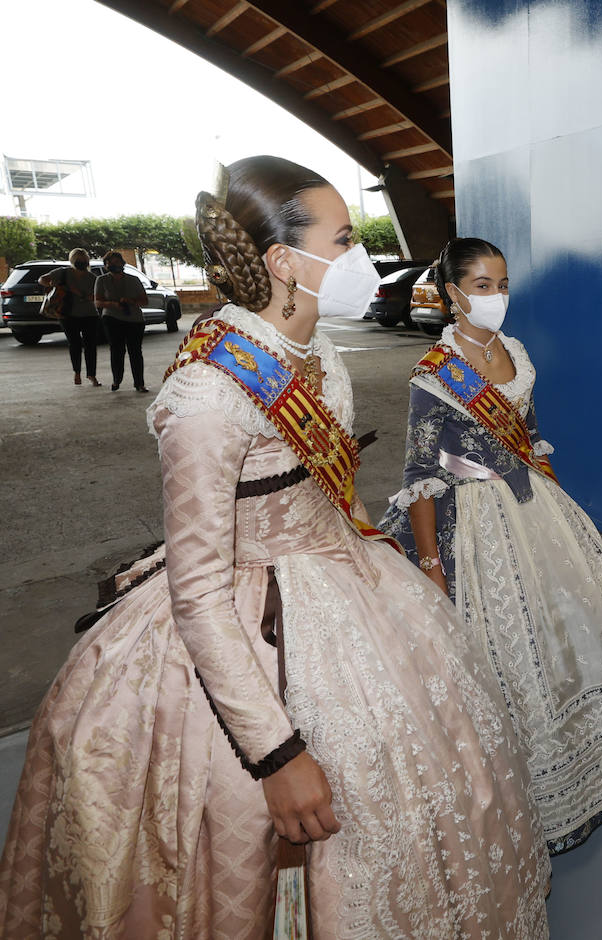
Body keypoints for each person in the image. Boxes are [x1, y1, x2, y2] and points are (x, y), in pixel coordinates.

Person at [0, 157, 550, 938]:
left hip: (346, 581)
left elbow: (336, 492)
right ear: (286, 262)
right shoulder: (208, 396)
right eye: (346, 238)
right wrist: (277, 754)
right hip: (240, 624)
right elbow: (198, 594)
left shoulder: (322, 355)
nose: (362, 256)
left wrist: (385, 558)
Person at [379, 237, 602, 855]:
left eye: (502, 284)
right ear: (452, 296)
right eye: (481, 286)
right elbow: (419, 475)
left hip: (534, 509)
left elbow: (530, 436)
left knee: (570, 623)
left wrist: (564, 512)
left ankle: (590, 765)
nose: (496, 296)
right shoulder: (433, 375)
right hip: (471, 520)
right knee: (497, 648)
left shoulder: (518, 352)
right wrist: (430, 564)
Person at [37, 249, 101, 386]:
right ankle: (77, 372)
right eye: (78, 260)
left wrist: (90, 297)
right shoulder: (63, 273)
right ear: (72, 260)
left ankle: (91, 374)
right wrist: (55, 285)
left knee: (90, 345)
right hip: (67, 314)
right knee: (75, 344)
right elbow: (42, 279)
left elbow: (98, 296)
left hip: (89, 314)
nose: (82, 262)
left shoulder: (92, 277)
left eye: (84, 260)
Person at [94, 251, 149, 392]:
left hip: (134, 319)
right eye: (110, 263)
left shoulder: (134, 280)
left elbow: (144, 301)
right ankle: (116, 380)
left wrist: (131, 301)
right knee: (116, 350)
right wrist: (113, 304)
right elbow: (98, 302)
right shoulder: (101, 280)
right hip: (112, 318)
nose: (114, 265)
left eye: (117, 262)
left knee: (135, 351)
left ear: (123, 263)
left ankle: (139, 383)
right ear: (106, 265)